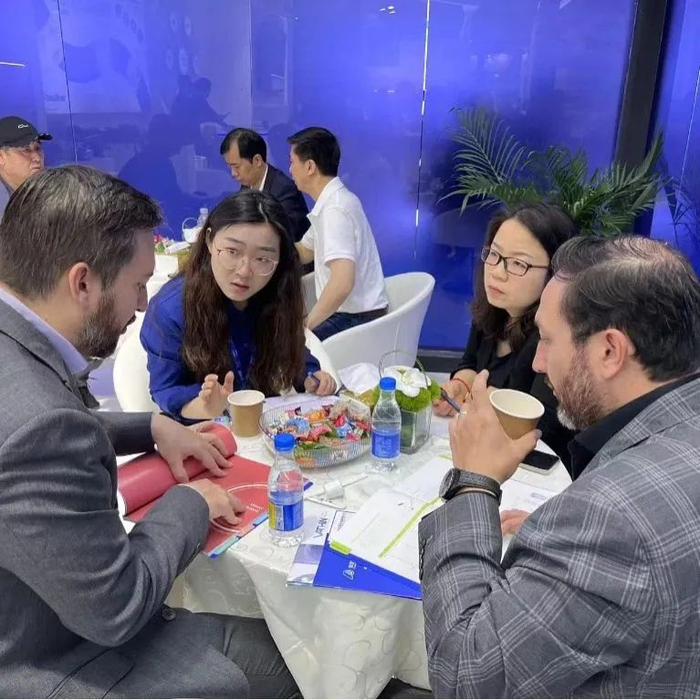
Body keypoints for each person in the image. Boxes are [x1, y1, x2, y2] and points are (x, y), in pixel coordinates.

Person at [0, 165, 298, 698]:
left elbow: (44, 418)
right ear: (83, 282)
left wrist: (153, 427)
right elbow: (117, 608)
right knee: (300, 656)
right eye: (137, 285)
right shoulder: (40, 427)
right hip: (50, 655)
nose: (141, 305)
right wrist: (192, 501)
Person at [419, 235, 700, 698]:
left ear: (610, 351)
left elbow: (463, 678)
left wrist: (473, 484)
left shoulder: (611, 521)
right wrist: (564, 548)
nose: (539, 362)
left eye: (548, 340)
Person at [141, 189, 336, 422]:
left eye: (262, 258)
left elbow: (291, 348)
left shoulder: (276, 291)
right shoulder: (171, 309)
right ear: (209, 241)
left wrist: (311, 376)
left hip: (261, 424)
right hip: (200, 430)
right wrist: (205, 406)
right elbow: (165, 389)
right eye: (232, 252)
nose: (244, 271)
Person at [433, 202, 578, 470]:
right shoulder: (495, 307)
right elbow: (470, 362)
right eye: (494, 255)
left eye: (518, 263)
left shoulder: (554, 337)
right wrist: (461, 385)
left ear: (555, 274)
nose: (497, 272)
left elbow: (545, 425)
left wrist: (490, 401)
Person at [289, 126, 388, 340]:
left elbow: (342, 283)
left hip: (357, 319)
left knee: (291, 344)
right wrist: (270, 250)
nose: (290, 170)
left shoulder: (335, 210)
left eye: (292, 162)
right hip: (348, 313)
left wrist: (307, 326)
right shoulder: (332, 203)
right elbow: (305, 250)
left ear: (309, 167)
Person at [221, 127, 309, 243]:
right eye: (230, 167)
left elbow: (286, 236)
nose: (233, 173)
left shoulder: (284, 189)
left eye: (237, 166)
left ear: (257, 160)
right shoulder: (246, 185)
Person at [0, 115, 52, 218]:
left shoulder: (48, 193)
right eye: (26, 150)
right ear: (1, 157)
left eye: (38, 149)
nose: (37, 158)